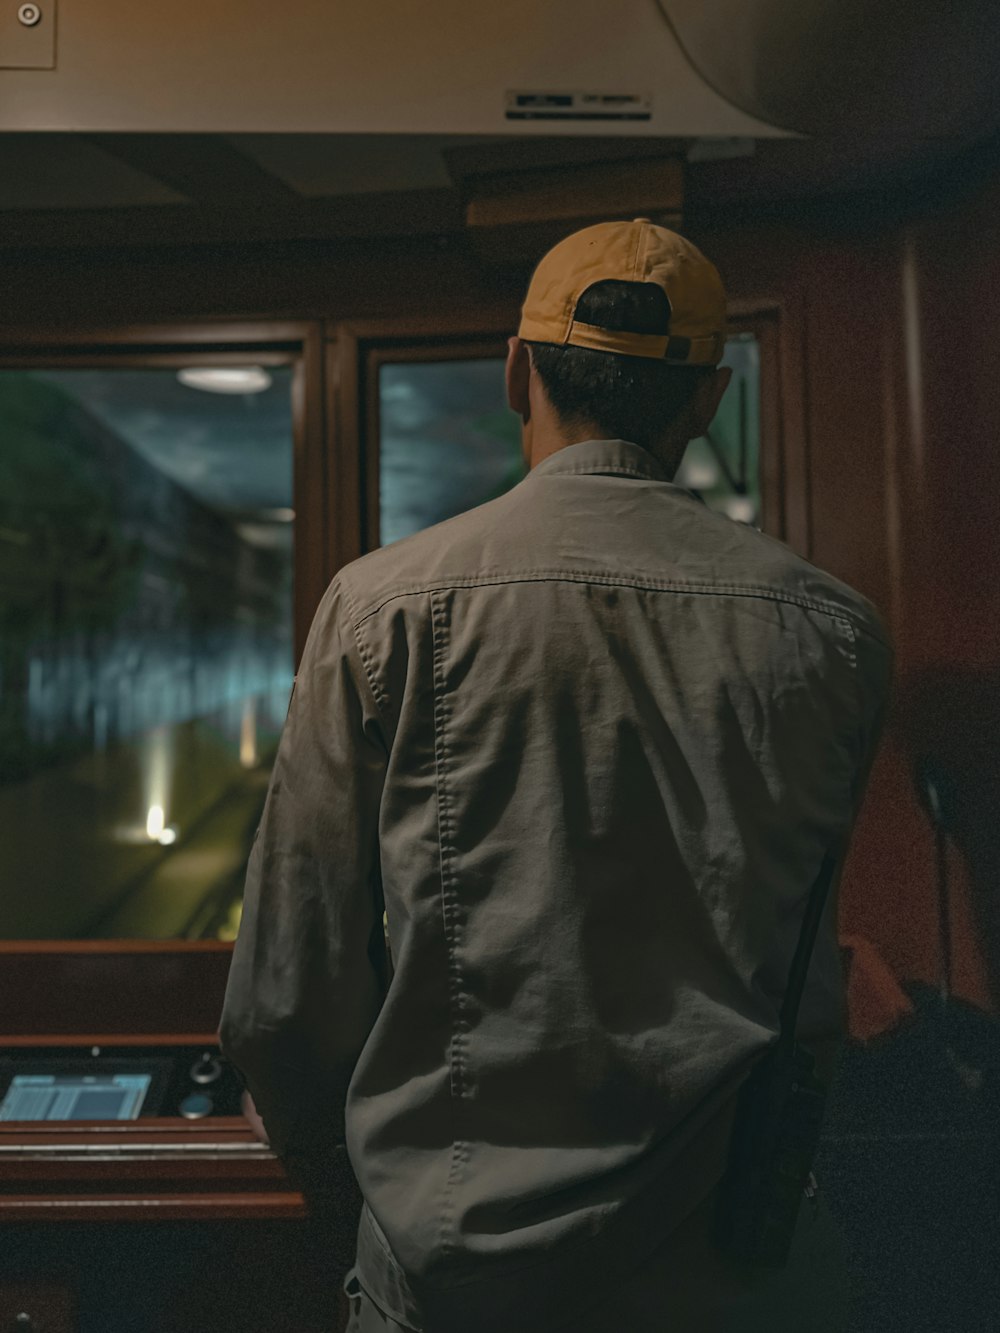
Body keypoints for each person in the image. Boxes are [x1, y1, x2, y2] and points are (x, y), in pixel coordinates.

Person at [219, 219, 891, 1333]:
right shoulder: (837, 633)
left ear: (516, 372)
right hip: (743, 1280)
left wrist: (358, 1187)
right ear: (707, 399)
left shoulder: (384, 605)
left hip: (458, 1280)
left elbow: (286, 994)